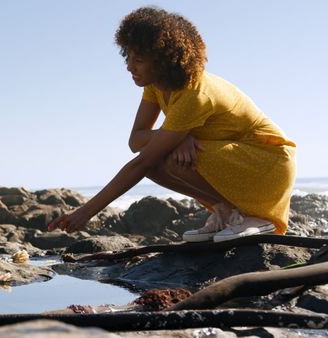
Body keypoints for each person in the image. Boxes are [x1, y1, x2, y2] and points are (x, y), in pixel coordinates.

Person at [48, 7, 296, 243]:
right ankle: (227, 210)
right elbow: (135, 140)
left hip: (267, 163)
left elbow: (140, 161)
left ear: (164, 60)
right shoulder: (156, 85)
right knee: (157, 160)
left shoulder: (195, 94)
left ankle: (255, 218)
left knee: (157, 159)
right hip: (234, 157)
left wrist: (85, 212)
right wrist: (177, 137)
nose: (129, 66)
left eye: (139, 59)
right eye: (128, 56)